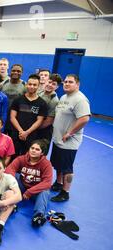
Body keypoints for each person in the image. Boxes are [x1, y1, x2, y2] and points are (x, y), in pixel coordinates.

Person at [50, 74, 91, 202]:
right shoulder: (63, 97)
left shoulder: (80, 99)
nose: (66, 84)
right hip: (58, 140)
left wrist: (70, 133)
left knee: (67, 168)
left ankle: (65, 192)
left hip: (69, 142)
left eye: (70, 82)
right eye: (65, 82)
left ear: (77, 84)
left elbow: (84, 118)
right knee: (58, 164)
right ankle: (58, 183)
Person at [5, 140, 52, 227]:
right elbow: (9, 169)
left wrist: (30, 191)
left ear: (42, 153)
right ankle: (10, 205)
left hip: (35, 191)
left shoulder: (46, 164)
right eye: (32, 148)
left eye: (37, 149)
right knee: (11, 178)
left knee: (45, 191)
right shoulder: (21, 159)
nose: (33, 150)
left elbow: (47, 182)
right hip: (22, 186)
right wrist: (13, 183)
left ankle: (38, 216)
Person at [9, 74, 47, 156]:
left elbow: (39, 120)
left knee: (27, 158)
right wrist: (21, 131)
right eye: (30, 84)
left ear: (38, 86)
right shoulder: (18, 100)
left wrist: (27, 132)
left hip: (31, 136)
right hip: (16, 135)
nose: (32, 86)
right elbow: (12, 117)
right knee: (13, 157)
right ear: (26, 85)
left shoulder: (42, 103)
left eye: (34, 85)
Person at [0, 64, 27, 134]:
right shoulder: (2, 84)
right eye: (13, 70)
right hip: (3, 117)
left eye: (18, 71)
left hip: (17, 119)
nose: (16, 72)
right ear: (10, 71)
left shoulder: (25, 86)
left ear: (22, 73)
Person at [37, 73, 62, 146]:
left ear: (57, 87)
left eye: (53, 84)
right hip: (34, 127)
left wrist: (33, 128)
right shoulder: (40, 92)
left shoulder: (54, 100)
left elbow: (49, 121)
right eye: (49, 82)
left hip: (43, 131)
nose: (50, 85)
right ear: (46, 81)